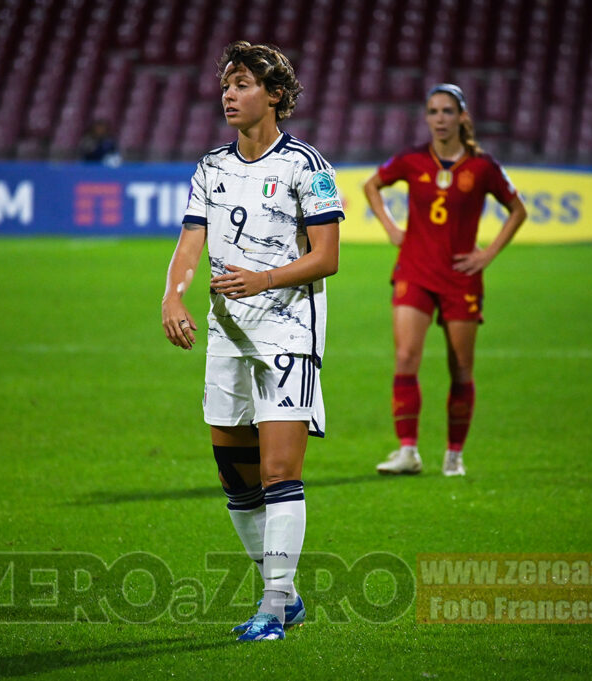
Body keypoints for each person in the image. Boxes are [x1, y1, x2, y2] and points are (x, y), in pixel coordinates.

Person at [162, 40, 343, 641]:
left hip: (288, 331)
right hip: (226, 333)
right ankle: (285, 597)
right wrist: (173, 294)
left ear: (276, 96)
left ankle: (271, 606)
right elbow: (192, 238)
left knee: (278, 471)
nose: (229, 94)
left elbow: (328, 258)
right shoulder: (210, 166)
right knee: (234, 477)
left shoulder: (309, 167)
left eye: (242, 84)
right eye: (226, 84)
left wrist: (261, 279)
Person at [362, 83, 526, 477]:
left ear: (462, 117)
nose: (439, 119)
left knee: (460, 367)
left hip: (460, 278)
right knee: (405, 357)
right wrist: (389, 226)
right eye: (433, 112)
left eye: (447, 112)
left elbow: (517, 210)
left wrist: (487, 254)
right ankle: (407, 451)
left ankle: (454, 454)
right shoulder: (412, 159)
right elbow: (372, 185)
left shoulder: (482, 166)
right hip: (414, 270)